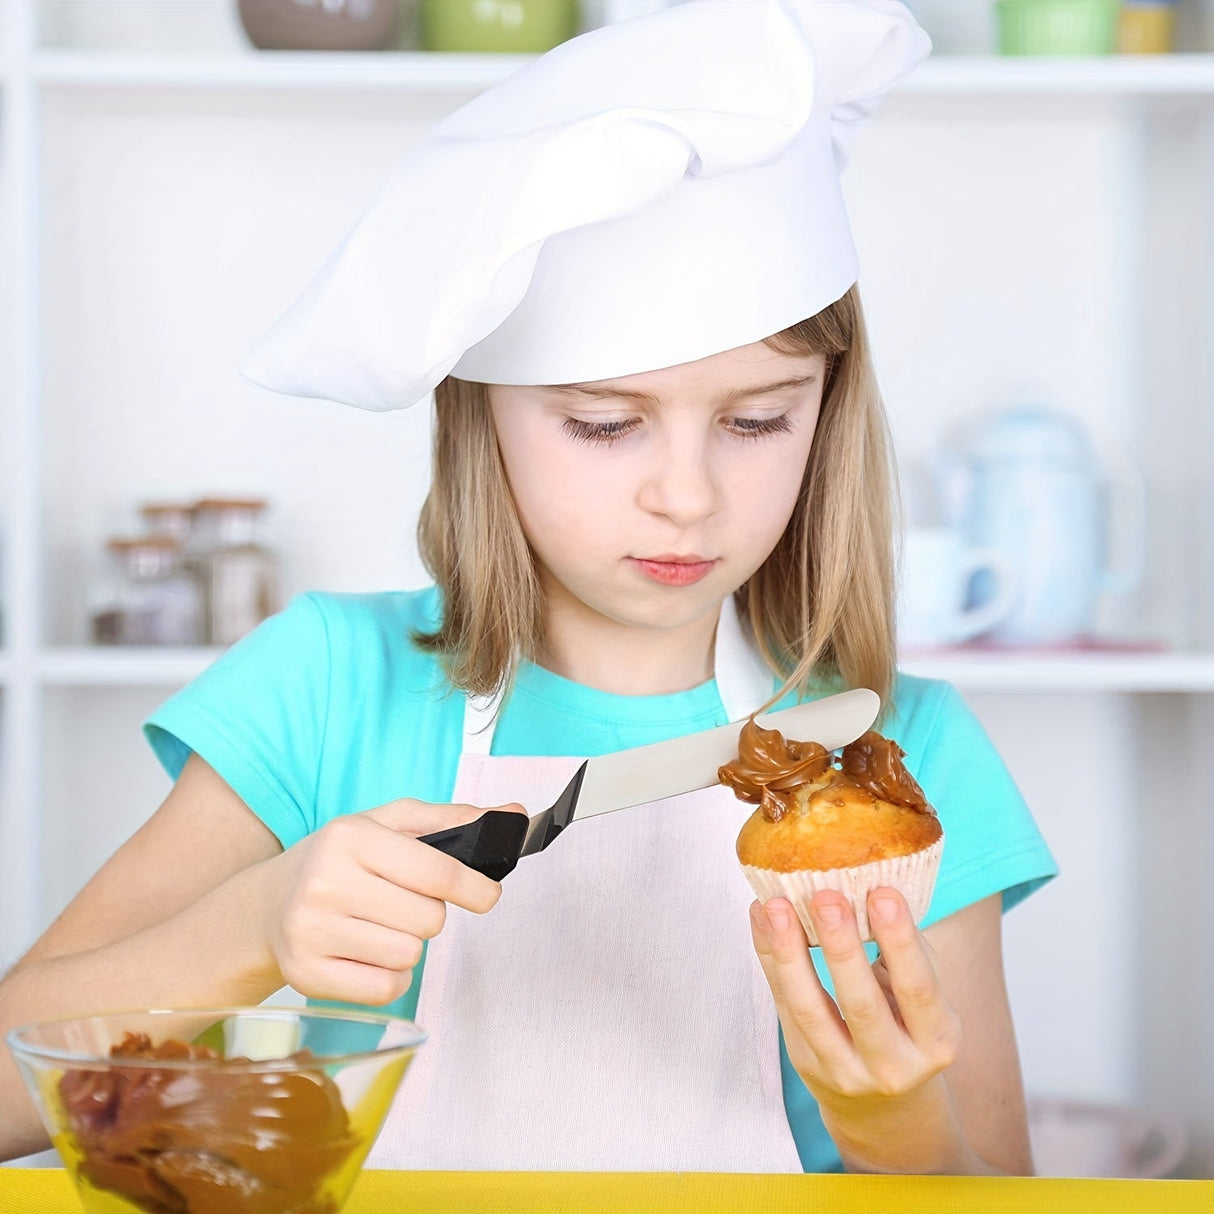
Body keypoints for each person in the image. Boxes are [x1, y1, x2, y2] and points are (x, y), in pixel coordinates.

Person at [0, 0, 1056, 1174]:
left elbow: (996, 1188)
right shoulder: (325, 687)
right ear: (482, 417)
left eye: (757, 420)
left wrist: (890, 1124)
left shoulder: (898, 752)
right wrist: (248, 927)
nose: (685, 495)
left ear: (828, 410)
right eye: (603, 423)